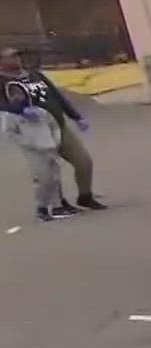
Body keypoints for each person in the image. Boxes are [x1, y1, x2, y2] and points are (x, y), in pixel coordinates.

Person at [0, 48, 104, 210]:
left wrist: (76, 117)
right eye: (12, 57)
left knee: (83, 161)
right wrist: (20, 110)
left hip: (58, 124)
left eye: (18, 56)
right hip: (35, 130)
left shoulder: (35, 75)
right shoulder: (3, 81)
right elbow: (3, 105)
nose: (17, 59)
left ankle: (85, 196)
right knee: (49, 168)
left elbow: (56, 96)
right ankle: (58, 203)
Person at [2, 82, 76, 221]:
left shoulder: (41, 112)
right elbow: (11, 134)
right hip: (33, 152)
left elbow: (54, 126)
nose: (17, 97)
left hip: (50, 148)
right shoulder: (11, 116)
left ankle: (57, 206)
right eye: (13, 95)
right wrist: (29, 143)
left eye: (19, 93)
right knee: (43, 179)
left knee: (55, 178)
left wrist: (56, 141)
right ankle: (41, 207)